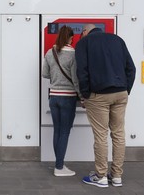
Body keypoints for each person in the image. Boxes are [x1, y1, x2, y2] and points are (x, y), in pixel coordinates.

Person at [75, 24, 136, 188]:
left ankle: (100, 176)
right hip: (120, 93)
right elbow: (131, 68)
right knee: (118, 134)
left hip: (98, 95)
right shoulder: (118, 40)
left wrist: (86, 94)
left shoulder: (84, 43)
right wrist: (126, 89)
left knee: (101, 135)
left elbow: (82, 71)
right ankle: (116, 176)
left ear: (84, 32)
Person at [42, 25, 81, 177]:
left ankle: (59, 164)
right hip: (68, 97)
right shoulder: (73, 54)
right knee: (64, 131)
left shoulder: (50, 52)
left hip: (53, 97)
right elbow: (76, 79)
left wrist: (56, 78)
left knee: (57, 130)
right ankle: (59, 167)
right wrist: (81, 96)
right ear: (71, 38)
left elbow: (45, 74)